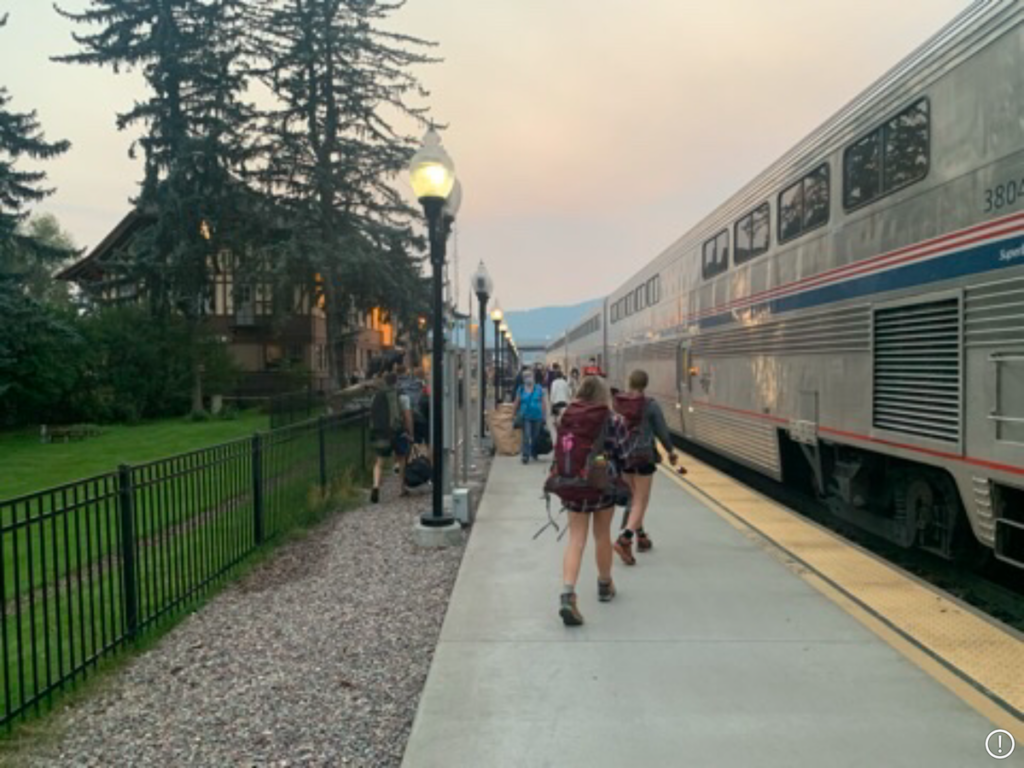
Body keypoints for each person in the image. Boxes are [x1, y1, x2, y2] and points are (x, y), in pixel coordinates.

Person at [550, 376, 629, 626]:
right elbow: (623, 453)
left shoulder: (566, 416)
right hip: (603, 484)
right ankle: (605, 585)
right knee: (602, 535)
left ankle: (567, 595)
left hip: (573, 483)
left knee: (576, 539)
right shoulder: (613, 419)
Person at [612, 369, 683, 564]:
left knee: (633, 499)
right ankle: (625, 539)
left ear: (629, 382)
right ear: (645, 384)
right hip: (644, 457)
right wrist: (671, 452)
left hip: (624, 456)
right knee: (640, 501)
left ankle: (641, 537)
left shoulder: (618, 403)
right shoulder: (650, 405)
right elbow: (662, 432)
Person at [369, 372, 413, 503]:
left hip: (381, 433)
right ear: (396, 382)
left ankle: (375, 486)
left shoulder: (376, 396)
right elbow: (407, 416)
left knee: (379, 462)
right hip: (398, 432)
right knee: (402, 459)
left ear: (385, 382)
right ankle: (401, 488)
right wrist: (410, 432)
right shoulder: (402, 396)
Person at [512, 368, 547, 464]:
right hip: (525, 416)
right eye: (525, 376)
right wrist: (513, 414)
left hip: (538, 416)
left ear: (533, 377)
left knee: (535, 436)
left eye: (529, 375)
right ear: (523, 378)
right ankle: (525, 455)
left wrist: (544, 416)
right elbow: (517, 402)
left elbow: (543, 403)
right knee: (526, 436)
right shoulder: (521, 389)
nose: (528, 378)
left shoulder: (539, 388)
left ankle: (534, 452)